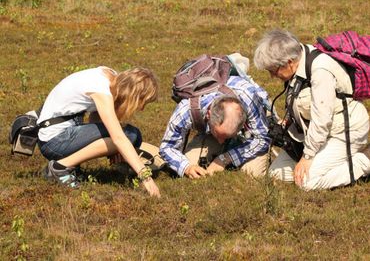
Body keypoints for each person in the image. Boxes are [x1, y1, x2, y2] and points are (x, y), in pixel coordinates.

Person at [254, 28, 370, 190]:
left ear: (289, 62)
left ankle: (363, 161)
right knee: (276, 174)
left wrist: (307, 157)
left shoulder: (320, 70)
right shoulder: (299, 59)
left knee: (307, 183)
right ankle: (333, 161)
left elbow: (322, 120)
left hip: (343, 132)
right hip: (315, 134)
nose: (272, 77)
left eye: (273, 71)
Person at [37, 66, 160, 197]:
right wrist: (146, 177)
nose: (141, 108)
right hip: (54, 142)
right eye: (143, 102)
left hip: (55, 134)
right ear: (134, 95)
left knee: (127, 136)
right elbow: (119, 138)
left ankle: (71, 166)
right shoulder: (102, 91)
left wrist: (112, 148)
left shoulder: (110, 77)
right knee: (130, 135)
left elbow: (95, 118)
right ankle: (60, 168)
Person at [159, 59, 271, 179]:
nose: (221, 141)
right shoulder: (186, 110)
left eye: (227, 136)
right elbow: (167, 147)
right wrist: (186, 167)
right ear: (208, 115)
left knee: (252, 174)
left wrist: (225, 159)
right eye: (219, 135)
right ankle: (229, 144)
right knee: (191, 162)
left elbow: (262, 138)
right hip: (207, 131)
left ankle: (234, 144)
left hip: (255, 126)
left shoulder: (248, 96)